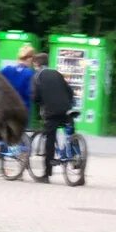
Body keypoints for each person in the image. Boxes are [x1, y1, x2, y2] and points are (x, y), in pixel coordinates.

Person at [0, 45, 35, 177]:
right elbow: (30, 93)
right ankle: (20, 171)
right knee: (20, 139)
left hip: (5, 108)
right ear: (30, 58)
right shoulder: (30, 74)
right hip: (21, 110)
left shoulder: (8, 69)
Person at [32, 52, 76, 184]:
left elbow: (36, 97)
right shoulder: (57, 73)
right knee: (70, 131)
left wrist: (40, 104)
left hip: (51, 112)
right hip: (66, 109)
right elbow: (70, 91)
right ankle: (76, 157)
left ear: (36, 64)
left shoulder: (38, 75)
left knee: (49, 139)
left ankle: (46, 174)